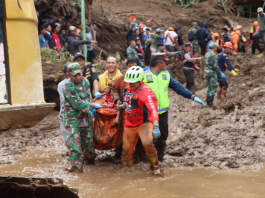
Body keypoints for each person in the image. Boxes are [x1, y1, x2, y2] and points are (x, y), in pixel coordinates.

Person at [143, 53, 204, 161]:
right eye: (164, 62)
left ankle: (159, 159)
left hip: (162, 112)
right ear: (159, 64)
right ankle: (144, 161)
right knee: (147, 138)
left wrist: (192, 96)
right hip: (146, 112)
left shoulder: (166, 74)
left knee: (162, 137)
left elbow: (178, 87)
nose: (166, 64)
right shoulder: (143, 74)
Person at [121, 66, 162, 176]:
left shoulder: (145, 93)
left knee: (148, 143)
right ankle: (126, 171)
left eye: (134, 82)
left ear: (140, 80)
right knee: (126, 150)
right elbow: (128, 99)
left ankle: (155, 167)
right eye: (129, 82)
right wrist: (123, 105)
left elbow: (153, 110)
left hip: (143, 123)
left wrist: (156, 125)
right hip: (129, 123)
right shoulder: (128, 87)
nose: (131, 84)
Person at [63, 63, 102, 173]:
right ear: (69, 75)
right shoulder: (68, 86)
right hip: (73, 120)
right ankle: (76, 170)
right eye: (75, 75)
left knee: (89, 146)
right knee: (75, 147)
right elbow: (77, 104)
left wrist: (90, 107)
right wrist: (92, 106)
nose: (78, 77)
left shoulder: (85, 81)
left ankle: (90, 162)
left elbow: (88, 97)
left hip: (85, 118)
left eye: (79, 74)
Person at [204, 43, 226, 107]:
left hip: (206, 72)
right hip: (211, 72)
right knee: (214, 86)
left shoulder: (207, 53)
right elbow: (214, 65)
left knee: (209, 87)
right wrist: (219, 72)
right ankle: (210, 103)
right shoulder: (213, 54)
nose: (217, 48)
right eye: (216, 46)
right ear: (213, 47)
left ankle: (208, 102)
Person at [57, 63, 70, 149]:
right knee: (65, 135)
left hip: (78, 112)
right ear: (66, 73)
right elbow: (64, 100)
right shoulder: (62, 85)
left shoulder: (82, 82)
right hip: (65, 112)